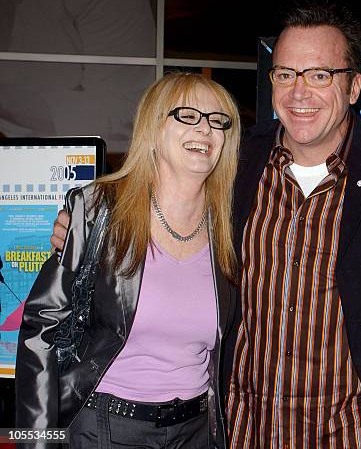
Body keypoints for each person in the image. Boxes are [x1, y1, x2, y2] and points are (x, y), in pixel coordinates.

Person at [51, 3, 361, 448]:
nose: (299, 92)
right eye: (286, 74)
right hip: (237, 430)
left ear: (354, 86)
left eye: (319, 75)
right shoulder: (236, 160)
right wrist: (86, 230)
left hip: (345, 433)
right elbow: (158, 189)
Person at [16, 72, 240, 448]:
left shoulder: (232, 226)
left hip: (197, 431)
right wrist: (37, 442)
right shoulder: (99, 209)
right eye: (187, 115)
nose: (205, 129)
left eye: (218, 121)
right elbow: (41, 330)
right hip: (106, 428)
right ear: (153, 128)